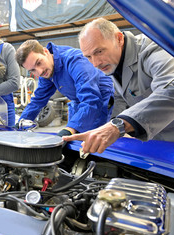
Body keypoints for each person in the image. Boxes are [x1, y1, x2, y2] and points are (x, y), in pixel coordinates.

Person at [63, 17, 174, 154]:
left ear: (119, 39)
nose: (95, 63)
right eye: (88, 57)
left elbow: (171, 88)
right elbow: (121, 99)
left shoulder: (153, 48)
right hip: (158, 143)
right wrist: (104, 129)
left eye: (99, 51)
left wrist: (117, 127)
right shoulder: (114, 63)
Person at [15, 39, 114, 136]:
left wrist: (70, 128)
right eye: (33, 70)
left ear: (46, 52)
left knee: (94, 143)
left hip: (100, 102)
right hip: (78, 103)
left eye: (39, 62)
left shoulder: (75, 61)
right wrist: (21, 123)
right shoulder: (46, 71)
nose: (39, 71)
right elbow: (38, 100)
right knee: (70, 141)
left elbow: (91, 99)